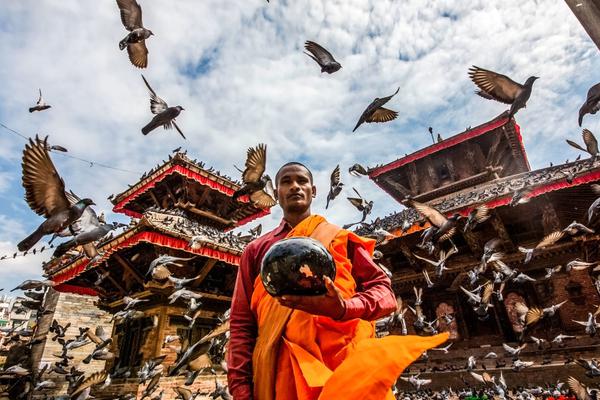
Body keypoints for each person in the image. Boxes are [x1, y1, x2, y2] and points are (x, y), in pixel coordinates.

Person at [227, 162, 448, 400]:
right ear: (275, 193)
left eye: (302, 181)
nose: (295, 187)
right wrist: (241, 390)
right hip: (276, 375)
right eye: (286, 181)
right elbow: (241, 324)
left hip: (344, 374)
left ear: (313, 190)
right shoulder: (256, 250)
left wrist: (343, 308)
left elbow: (384, 293)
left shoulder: (339, 239)